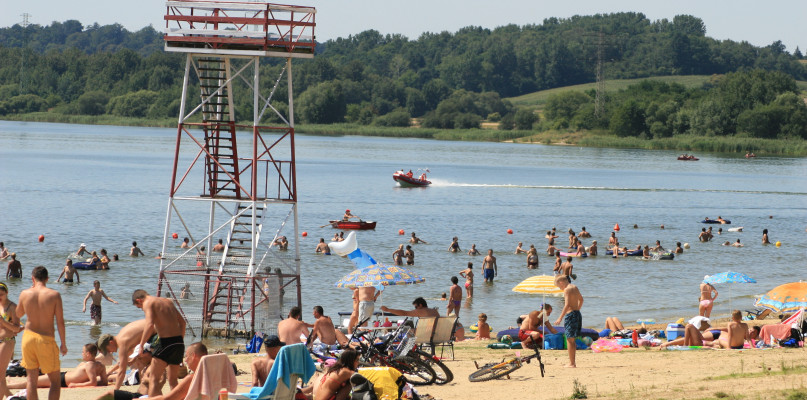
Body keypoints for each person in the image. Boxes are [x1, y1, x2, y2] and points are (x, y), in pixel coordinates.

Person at [17, 266, 68, 400]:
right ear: (47, 279)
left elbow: (18, 314)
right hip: (45, 339)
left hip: (28, 337)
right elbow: (60, 322)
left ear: (32, 278)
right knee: (55, 382)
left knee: (31, 381)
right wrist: (63, 344)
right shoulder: (54, 295)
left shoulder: (25, 293)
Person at [96, 342, 208, 400]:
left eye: (187, 356)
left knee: (109, 394)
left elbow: (167, 399)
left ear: (193, 356)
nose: (186, 360)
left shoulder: (191, 379)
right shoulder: (207, 377)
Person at [131, 289, 186, 397]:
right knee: (173, 381)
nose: (142, 309)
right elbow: (183, 323)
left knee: (154, 379)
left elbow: (150, 324)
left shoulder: (148, 302)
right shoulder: (168, 301)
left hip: (165, 343)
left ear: (139, 300)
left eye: (140, 307)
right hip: (179, 343)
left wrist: (141, 344)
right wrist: (179, 341)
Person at [10, 343, 107, 389]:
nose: (81, 354)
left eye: (83, 352)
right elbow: (104, 382)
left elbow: (93, 382)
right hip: (63, 376)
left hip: (62, 380)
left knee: (32, 382)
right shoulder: (101, 366)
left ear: (88, 354)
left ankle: (8, 386)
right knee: (35, 380)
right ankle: (12, 383)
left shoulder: (89, 365)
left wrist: (76, 385)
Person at [97, 319, 155, 390]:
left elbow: (122, 371)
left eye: (108, 349)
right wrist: (132, 360)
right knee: (140, 358)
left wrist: (115, 391)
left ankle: (143, 386)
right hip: (159, 326)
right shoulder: (122, 335)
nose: (109, 352)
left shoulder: (122, 343)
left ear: (111, 342)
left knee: (141, 362)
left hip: (158, 331)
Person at [554, 275, 583, 368]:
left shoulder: (567, 289)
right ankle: (572, 362)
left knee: (569, 339)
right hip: (577, 314)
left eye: (559, 286)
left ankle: (572, 363)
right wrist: (577, 310)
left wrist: (560, 318)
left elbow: (566, 305)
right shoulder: (574, 287)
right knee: (572, 339)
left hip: (570, 315)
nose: (560, 288)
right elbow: (581, 300)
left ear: (561, 282)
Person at [0, 282, 21, 399]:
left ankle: (9, 397)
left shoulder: (13, 307)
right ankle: (10, 397)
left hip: (7, 341)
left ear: (7, 293)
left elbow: (17, 328)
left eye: (1, 294)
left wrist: (3, 322)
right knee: (1, 377)